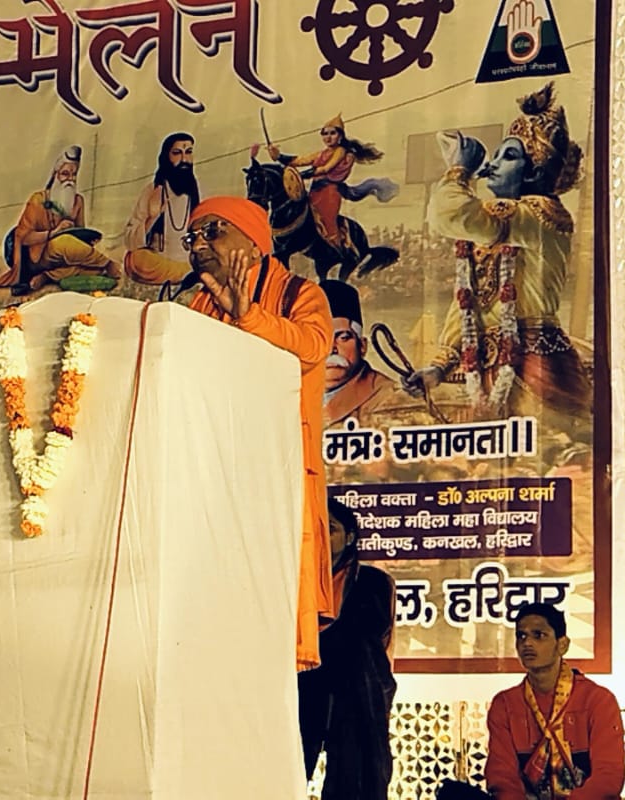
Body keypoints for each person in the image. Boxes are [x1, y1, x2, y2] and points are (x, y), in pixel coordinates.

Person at [183, 195, 333, 670]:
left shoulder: (299, 294)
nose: (199, 243)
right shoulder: (197, 305)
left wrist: (248, 316)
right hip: (211, 474)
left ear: (253, 244)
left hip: (276, 474)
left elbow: (310, 348)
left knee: (268, 613)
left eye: (213, 231)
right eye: (193, 236)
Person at [405, 82, 590, 424]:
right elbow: (470, 303)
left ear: (535, 172)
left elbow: (450, 215)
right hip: (491, 370)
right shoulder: (501, 227)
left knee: (556, 449)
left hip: (537, 370)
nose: (491, 166)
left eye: (508, 157)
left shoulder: (536, 215)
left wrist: (459, 171)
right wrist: (438, 368)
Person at [298, 499, 397, 799]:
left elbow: (376, 639)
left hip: (357, 694)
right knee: (287, 772)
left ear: (350, 537)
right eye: (316, 531)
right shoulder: (297, 582)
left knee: (355, 779)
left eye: (331, 530)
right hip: (306, 690)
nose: (322, 538)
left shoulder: (373, 582)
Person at [485, 602, 624, 800]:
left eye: (538, 635)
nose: (527, 643)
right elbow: (502, 778)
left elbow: (608, 778)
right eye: (521, 636)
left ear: (562, 645)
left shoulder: (597, 700)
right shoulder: (505, 705)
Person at [264, 113, 397, 264]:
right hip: (314, 192)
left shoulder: (341, 151)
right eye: (325, 134)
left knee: (327, 222)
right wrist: (279, 156)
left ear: (340, 136)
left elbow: (326, 168)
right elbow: (299, 161)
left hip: (329, 194)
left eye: (332, 133)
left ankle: (339, 250)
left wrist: (303, 175)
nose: (328, 137)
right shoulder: (321, 153)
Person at [0, 144, 120, 295]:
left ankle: (47, 276)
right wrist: (55, 232)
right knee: (64, 241)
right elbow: (24, 237)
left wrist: (87, 238)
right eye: (65, 174)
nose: (70, 179)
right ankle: (107, 263)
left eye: (74, 174)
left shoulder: (78, 201)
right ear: (55, 175)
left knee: (93, 270)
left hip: (64, 259)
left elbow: (80, 236)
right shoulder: (38, 199)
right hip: (39, 256)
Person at [320, 280, 423, 428]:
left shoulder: (389, 399)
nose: (331, 349)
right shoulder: (296, 396)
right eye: (320, 339)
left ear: (362, 346)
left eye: (343, 338)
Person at [122, 132, 199, 284]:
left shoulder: (200, 191)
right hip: (160, 263)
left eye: (188, 152)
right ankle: (185, 274)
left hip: (191, 261)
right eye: (177, 153)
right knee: (135, 259)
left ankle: (186, 273)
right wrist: (153, 217)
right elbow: (130, 240)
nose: (184, 159)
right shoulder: (153, 191)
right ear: (166, 157)